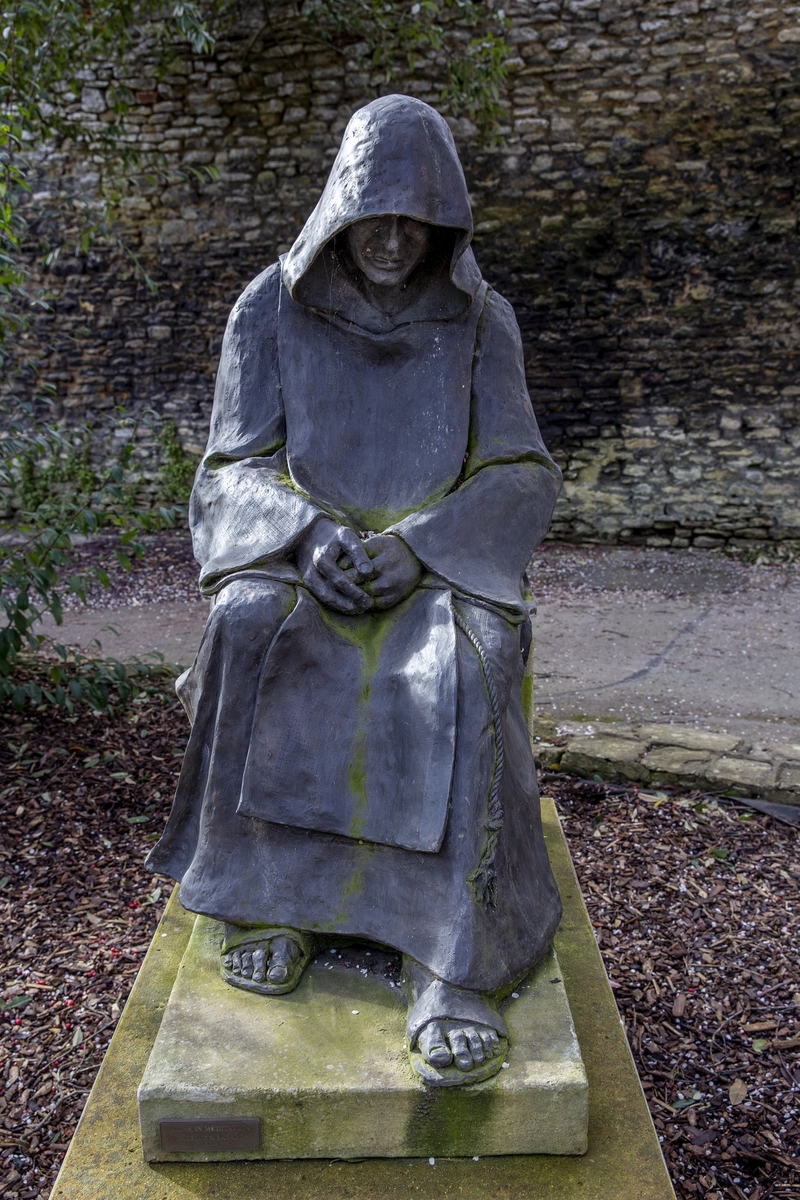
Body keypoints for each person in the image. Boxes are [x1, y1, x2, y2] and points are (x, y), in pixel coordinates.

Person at [147, 93, 563, 1086]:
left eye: (410, 218)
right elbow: (228, 468)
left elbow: (519, 470)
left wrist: (420, 548)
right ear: (339, 204)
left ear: (441, 221)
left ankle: (450, 958)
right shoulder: (268, 310)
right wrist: (304, 533)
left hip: (435, 572)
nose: (387, 237)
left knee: (469, 660)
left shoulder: (477, 323)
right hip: (306, 566)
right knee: (248, 622)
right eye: (371, 212)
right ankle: (278, 897)